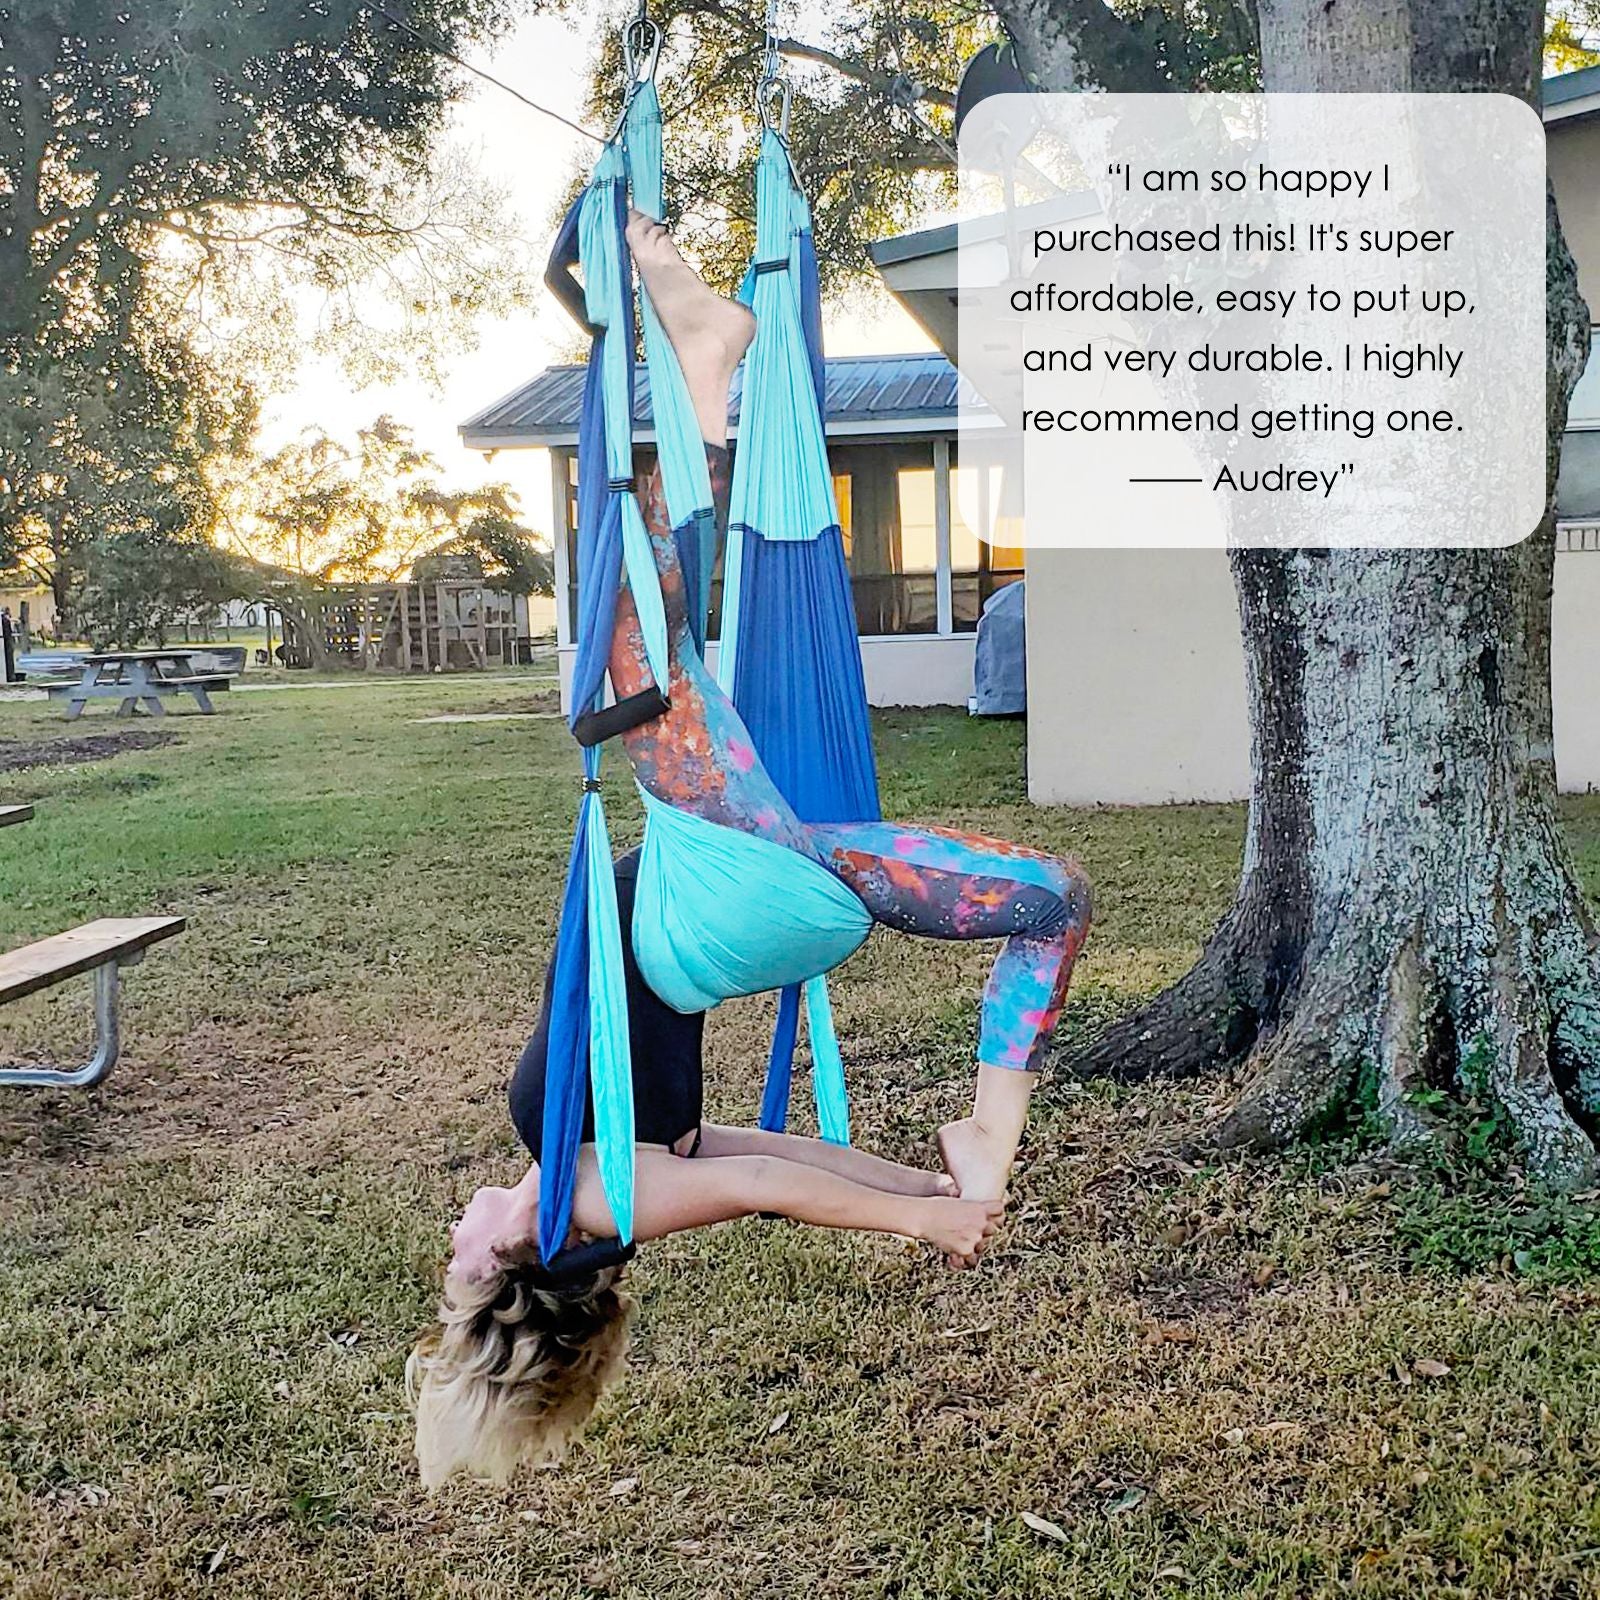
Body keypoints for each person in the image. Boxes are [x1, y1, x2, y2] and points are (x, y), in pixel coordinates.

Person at [408, 213, 1091, 1488]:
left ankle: (990, 1132)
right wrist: (925, 1220)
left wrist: (935, 1169)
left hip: (773, 879)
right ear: (501, 1273)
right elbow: (776, 1189)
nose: (444, 1246)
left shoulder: (591, 1165)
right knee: (632, 632)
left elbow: (779, 1157)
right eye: (451, 1278)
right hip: (713, 895)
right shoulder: (594, 1210)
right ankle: (701, 359)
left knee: (1053, 897)